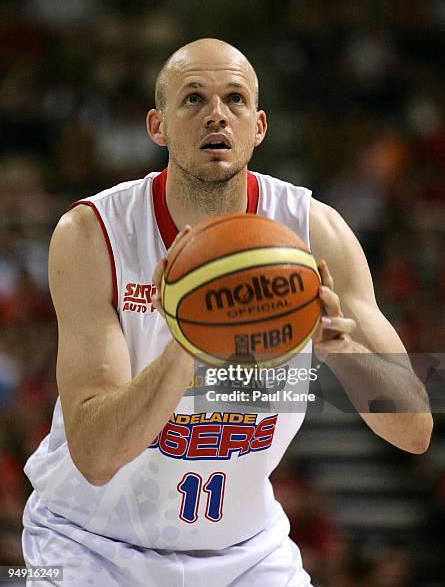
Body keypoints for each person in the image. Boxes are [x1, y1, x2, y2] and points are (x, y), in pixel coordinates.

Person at [21, 38, 432, 587]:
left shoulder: (317, 232)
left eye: (235, 99)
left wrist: (342, 350)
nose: (217, 113)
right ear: (157, 126)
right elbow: (96, 456)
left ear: (259, 127)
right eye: (193, 99)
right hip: (91, 544)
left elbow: (416, 428)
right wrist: (187, 345)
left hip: (246, 553)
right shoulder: (94, 234)